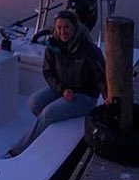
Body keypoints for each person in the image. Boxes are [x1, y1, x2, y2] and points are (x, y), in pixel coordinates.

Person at [6, 9, 106, 157]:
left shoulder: (88, 49)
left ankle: (19, 150)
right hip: (64, 88)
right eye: (59, 28)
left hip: (84, 96)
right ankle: (47, 125)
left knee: (48, 113)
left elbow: (101, 75)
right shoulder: (53, 45)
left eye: (66, 27)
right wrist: (62, 90)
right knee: (33, 103)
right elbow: (48, 72)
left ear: (75, 27)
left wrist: (108, 95)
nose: (62, 32)